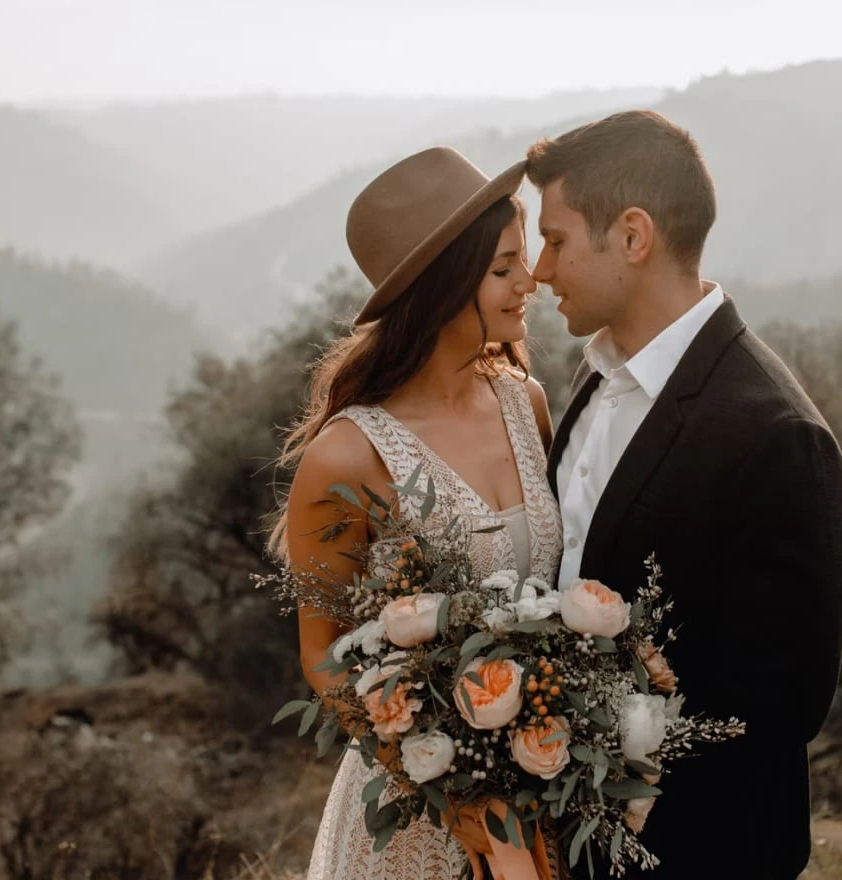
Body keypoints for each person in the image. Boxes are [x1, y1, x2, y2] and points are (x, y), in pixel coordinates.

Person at [526, 110, 842, 878]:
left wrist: (586, 745)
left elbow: (779, 705)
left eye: (558, 239)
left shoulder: (777, 436)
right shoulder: (594, 373)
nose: (541, 270)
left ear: (633, 237)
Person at [270, 146, 564, 880]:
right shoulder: (346, 458)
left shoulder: (526, 404)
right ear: (442, 289)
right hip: (414, 822)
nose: (529, 281)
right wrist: (447, 785)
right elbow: (323, 655)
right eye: (503, 269)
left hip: (546, 795)